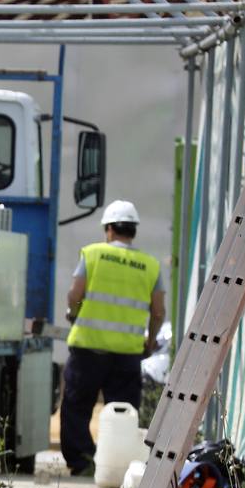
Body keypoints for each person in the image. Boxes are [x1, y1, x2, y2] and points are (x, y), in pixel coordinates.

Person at [61, 200, 167, 474]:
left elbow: (74, 294)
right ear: (133, 231)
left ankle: (82, 462)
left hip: (88, 348)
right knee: (122, 412)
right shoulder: (150, 265)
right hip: (128, 354)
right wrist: (150, 340)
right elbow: (158, 312)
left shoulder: (93, 254)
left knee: (77, 408)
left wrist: (74, 314)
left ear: (108, 229)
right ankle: (119, 467)